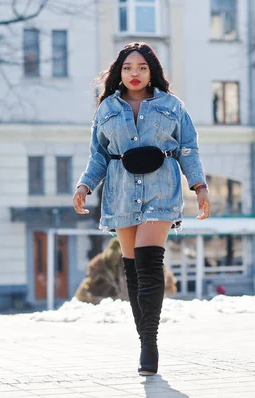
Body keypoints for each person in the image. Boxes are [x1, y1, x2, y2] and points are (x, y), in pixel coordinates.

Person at [73, 42, 211, 376]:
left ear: (152, 71)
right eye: (128, 68)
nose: (135, 74)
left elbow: (188, 149)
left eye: (142, 67)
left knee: (150, 265)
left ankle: (150, 345)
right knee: (133, 273)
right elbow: (99, 155)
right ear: (119, 73)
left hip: (161, 191)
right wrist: (84, 184)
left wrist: (199, 185)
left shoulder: (171, 105)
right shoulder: (106, 108)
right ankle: (143, 339)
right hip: (120, 193)